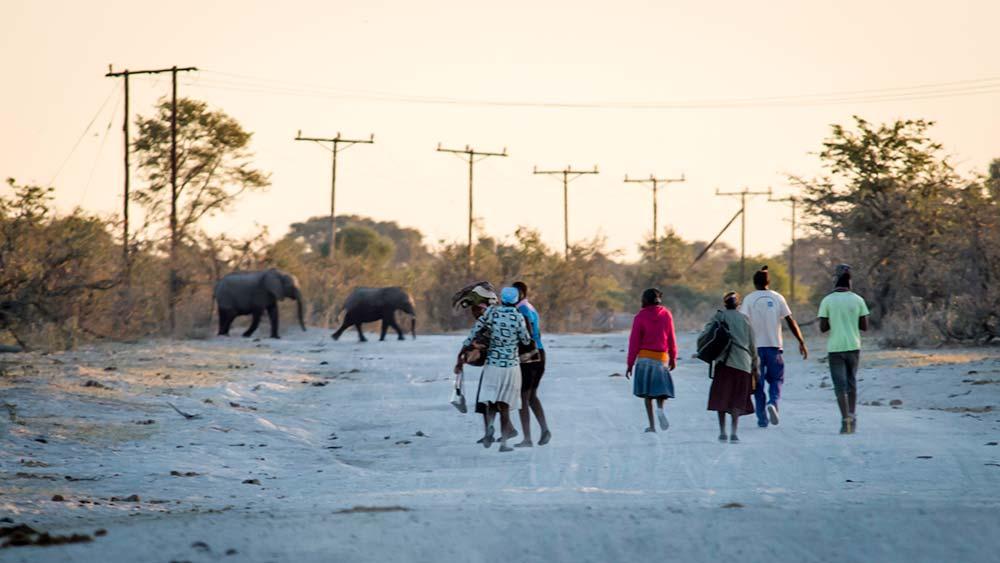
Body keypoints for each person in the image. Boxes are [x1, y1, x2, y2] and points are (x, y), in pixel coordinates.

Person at [462, 286, 533, 452]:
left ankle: (490, 428)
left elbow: (475, 330)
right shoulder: (518, 317)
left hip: (493, 364)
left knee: (492, 399)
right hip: (510, 365)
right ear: (515, 300)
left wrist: (466, 347)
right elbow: (525, 339)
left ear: (501, 299)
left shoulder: (492, 313)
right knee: (505, 403)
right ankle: (504, 444)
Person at [739, 266, 808, 428]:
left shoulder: (749, 299)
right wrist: (801, 341)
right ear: (768, 282)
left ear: (754, 283)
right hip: (774, 347)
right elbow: (790, 321)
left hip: (754, 350)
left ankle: (762, 418)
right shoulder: (778, 297)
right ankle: (773, 403)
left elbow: (742, 324)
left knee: (758, 384)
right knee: (776, 379)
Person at [817, 264, 870, 434]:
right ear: (850, 282)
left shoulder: (827, 300)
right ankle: (853, 416)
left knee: (839, 385)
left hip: (835, 348)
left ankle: (844, 418)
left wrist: (834, 317)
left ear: (835, 281)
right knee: (851, 382)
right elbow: (865, 326)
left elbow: (823, 328)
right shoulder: (858, 300)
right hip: (854, 346)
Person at [704, 292, 758, 443]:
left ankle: (722, 432)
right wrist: (755, 365)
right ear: (738, 304)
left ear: (725, 304)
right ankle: (734, 432)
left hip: (723, 363)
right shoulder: (745, 319)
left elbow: (706, 334)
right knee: (736, 399)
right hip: (743, 363)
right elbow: (752, 345)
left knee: (722, 397)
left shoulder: (719, 317)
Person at [625, 288, 678, 433]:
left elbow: (634, 342)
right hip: (661, 358)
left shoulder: (640, 317)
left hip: (644, 358)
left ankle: (652, 426)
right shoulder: (666, 315)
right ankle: (660, 408)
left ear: (645, 300)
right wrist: (673, 357)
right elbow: (671, 338)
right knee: (660, 391)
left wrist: (630, 364)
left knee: (647, 394)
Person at [511, 281, 551, 448]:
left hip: (529, 356)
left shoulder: (521, 310)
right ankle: (544, 430)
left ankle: (527, 438)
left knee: (523, 398)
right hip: (540, 353)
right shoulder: (530, 307)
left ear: (520, 293)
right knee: (532, 395)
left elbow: (526, 334)